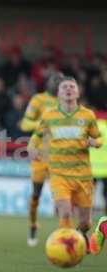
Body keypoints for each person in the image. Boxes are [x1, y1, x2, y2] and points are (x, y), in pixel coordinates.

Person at [27, 76, 102, 250]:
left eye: (72, 86)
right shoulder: (49, 115)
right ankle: (67, 250)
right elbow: (36, 136)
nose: (68, 89)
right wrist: (31, 148)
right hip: (59, 175)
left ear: (78, 91)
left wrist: (93, 142)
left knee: (86, 223)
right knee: (65, 213)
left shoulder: (88, 115)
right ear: (58, 93)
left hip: (83, 176)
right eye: (64, 87)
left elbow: (99, 139)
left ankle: (79, 234)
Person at [20, 72, 63, 246]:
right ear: (48, 83)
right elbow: (24, 124)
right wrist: (43, 124)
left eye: (60, 83)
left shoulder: (67, 103)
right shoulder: (38, 100)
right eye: (55, 82)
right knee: (36, 194)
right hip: (40, 155)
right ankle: (32, 225)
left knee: (62, 196)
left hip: (60, 155)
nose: (57, 85)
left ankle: (63, 234)